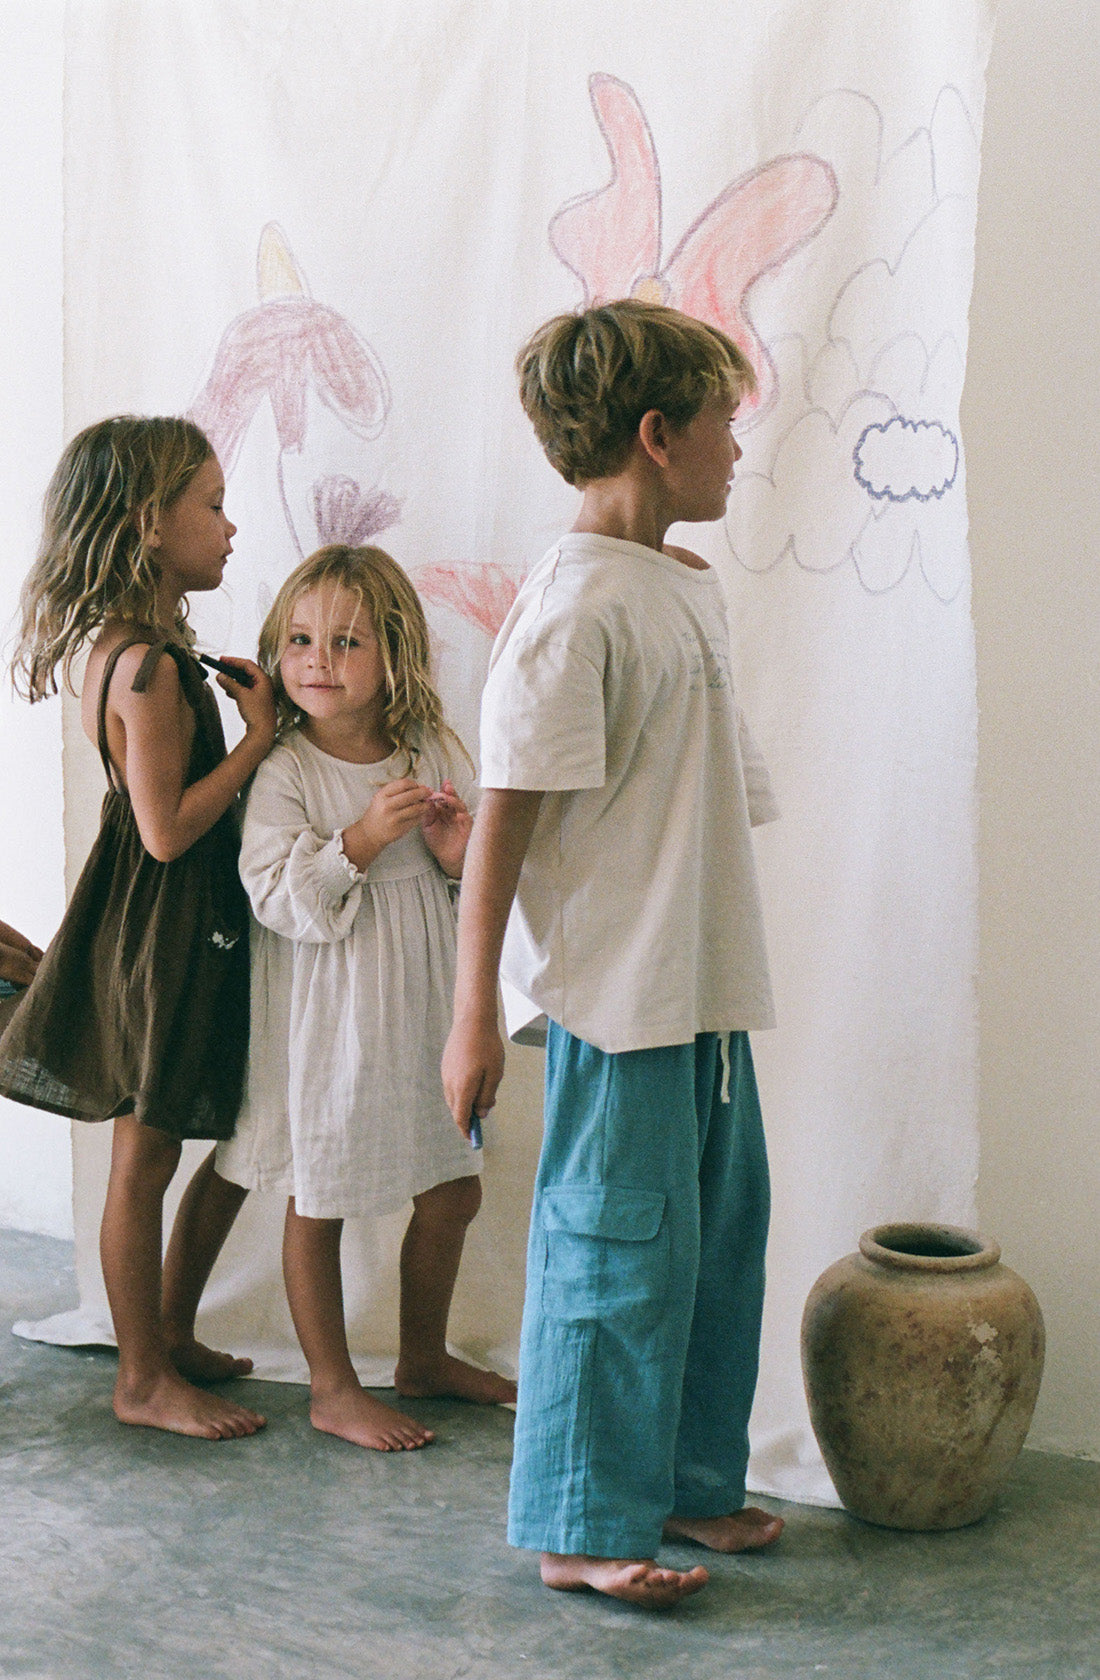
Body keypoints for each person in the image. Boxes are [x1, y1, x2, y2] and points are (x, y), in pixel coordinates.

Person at [443, 299, 785, 1607]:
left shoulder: (678, 589)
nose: (737, 454)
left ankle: (694, 1480)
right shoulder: (573, 611)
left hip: (704, 987)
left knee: (718, 1233)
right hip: (618, 1000)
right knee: (613, 1248)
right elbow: (504, 827)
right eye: (723, 427)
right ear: (657, 436)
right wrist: (472, 1012)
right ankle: (585, 1522)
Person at [0, 415, 276, 1440]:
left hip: (149, 923)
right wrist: (259, 741)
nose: (230, 524)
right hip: (163, 928)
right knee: (145, 1154)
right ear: (150, 525)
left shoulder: (125, 650)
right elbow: (164, 833)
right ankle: (143, 1378)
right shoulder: (151, 666)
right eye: (210, 504)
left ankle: (160, 1338)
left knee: (153, 1144)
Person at [214, 544, 516, 1450]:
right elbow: (272, 893)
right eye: (300, 639)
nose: (316, 660)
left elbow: (470, 885)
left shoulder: (430, 749)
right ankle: (332, 1384)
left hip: (425, 1013)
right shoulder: (288, 771)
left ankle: (421, 1355)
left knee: (451, 1189)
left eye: (345, 642)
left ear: (394, 655)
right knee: (322, 1195)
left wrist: (458, 854)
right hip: (332, 1020)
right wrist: (356, 841)